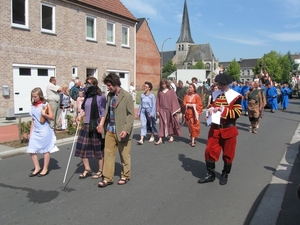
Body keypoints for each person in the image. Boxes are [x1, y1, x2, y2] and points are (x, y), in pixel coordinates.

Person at [198, 73, 242, 185]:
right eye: (219, 84)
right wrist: (209, 112)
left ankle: (225, 173)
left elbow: (237, 113)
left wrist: (223, 110)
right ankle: (211, 174)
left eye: (221, 84)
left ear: (227, 84)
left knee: (228, 153)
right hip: (215, 128)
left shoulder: (236, 96)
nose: (220, 87)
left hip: (229, 129)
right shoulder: (215, 94)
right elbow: (210, 107)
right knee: (209, 150)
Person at [98, 72, 134, 188]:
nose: (108, 88)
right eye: (107, 86)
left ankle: (125, 175)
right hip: (110, 129)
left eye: (109, 85)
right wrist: (101, 124)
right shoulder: (109, 96)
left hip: (122, 131)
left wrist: (126, 129)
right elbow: (106, 111)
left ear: (115, 84)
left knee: (124, 155)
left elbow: (130, 115)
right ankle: (107, 178)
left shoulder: (127, 96)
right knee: (108, 154)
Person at [74, 77, 106, 179]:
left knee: (98, 149)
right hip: (86, 125)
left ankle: (100, 170)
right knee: (81, 147)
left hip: (96, 125)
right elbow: (84, 110)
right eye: (86, 83)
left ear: (94, 85)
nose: (86, 85)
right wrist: (80, 116)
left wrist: (100, 125)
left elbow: (103, 112)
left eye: (88, 83)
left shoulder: (101, 96)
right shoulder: (86, 96)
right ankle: (87, 168)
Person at [27, 87, 57, 177]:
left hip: (45, 129)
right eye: (33, 97)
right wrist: (30, 133)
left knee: (45, 149)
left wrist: (44, 114)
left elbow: (52, 117)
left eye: (35, 96)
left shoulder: (45, 104)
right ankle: (37, 168)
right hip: (36, 130)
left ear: (40, 96)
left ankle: (45, 168)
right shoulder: (32, 106)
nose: (34, 98)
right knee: (31, 149)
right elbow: (33, 120)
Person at [155, 79, 182, 145]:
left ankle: (171, 136)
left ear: (166, 84)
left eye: (164, 84)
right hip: (162, 110)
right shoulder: (160, 92)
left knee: (170, 123)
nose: (163, 85)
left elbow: (174, 100)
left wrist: (175, 109)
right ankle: (160, 138)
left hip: (169, 110)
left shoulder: (171, 91)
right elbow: (157, 101)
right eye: (162, 84)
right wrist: (157, 110)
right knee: (161, 124)